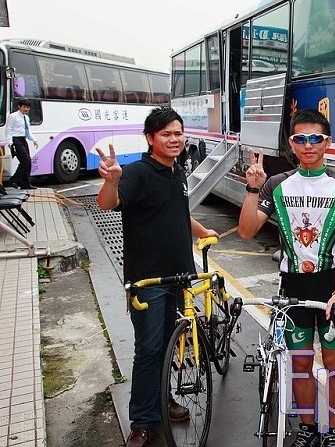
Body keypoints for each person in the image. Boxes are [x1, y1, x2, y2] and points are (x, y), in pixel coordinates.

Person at [96, 106, 218, 447]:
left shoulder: (177, 172)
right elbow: (108, 203)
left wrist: (201, 229)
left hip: (178, 276)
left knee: (167, 346)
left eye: (178, 132)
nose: (175, 138)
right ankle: (144, 421)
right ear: (151, 138)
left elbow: (178, 212)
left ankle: (164, 400)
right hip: (147, 282)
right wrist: (112, 180)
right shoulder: (137, 172)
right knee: (148, 350)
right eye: (166, 134)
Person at [239, 108, 335, 447]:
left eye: (315, 138)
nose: (308, 145)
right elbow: (246, 231)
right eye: (300, 139)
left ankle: (333, 429)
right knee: (301, 364)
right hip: (292, 287)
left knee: (334, 363)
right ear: (291, 143)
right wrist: (252, 189)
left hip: (329, 286)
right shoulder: (276, 185)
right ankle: (307, 426)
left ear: (327, 142)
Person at [6, 98, 38, 189]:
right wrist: (10, 142)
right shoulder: (13, 116)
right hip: (16, 140)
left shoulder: (26, 117)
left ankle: (26, 184)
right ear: (19, 107)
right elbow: (8, 130)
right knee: (25, 161)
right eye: (24, 107)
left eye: (28, 107)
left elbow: (28, 130)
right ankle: (13, 180)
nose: (26, 109)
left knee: (28, 161)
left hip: (23, 139)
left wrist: (34, 139)